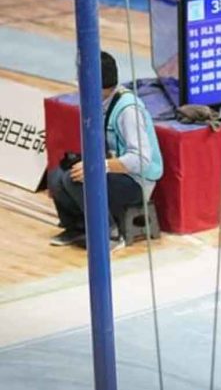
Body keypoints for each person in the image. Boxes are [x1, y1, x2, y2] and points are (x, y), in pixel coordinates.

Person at [48, 51, 163, 250]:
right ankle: (78, 227)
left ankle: (111, 233)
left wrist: (101, 167)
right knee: (57, 174)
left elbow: (141, 160)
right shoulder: (100, 102)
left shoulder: (128, 110)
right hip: (114, 169)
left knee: (77, 178)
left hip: (137, 180)